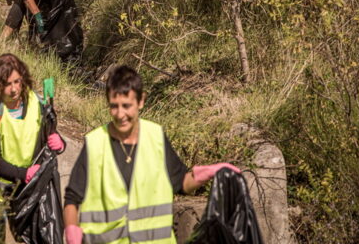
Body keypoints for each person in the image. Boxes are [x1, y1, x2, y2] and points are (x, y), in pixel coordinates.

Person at [63, 66, 241, 244]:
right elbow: (72, 199)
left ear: (141, 101)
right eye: (113, 106)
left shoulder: (155, 137)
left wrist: (205, 174)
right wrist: (72, 229)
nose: (120, 114)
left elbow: (181, 183)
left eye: (126, 106)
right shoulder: (95, 143)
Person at [0, 53, 65, 240]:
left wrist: (59, 142)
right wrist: (25, 174)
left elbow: (49, 135)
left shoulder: (36, 103)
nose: (14, 89)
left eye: (17, 82)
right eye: (8, 84)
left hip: (25, 190)